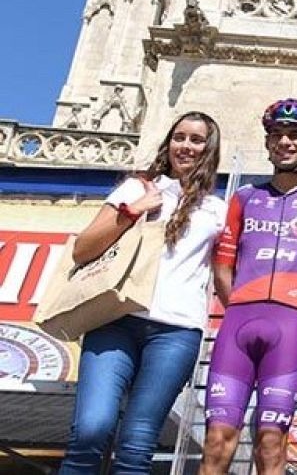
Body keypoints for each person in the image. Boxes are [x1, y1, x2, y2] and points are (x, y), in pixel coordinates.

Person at [61, 112, 228, 475]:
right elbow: (82, 249)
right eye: (179, 137)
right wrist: (133, 211)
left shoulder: (218, 210)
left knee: (138, 445)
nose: (186, 146)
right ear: (168, 143)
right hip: (115, 319)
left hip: (176, 331)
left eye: (196, 140)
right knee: (90, 430)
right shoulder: (137, 189)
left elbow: (231, 268)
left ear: (209, 149)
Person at [199, 100, 297, 475]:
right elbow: (223, 266)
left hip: (290, 328)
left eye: (295, 135)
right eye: (277, 135)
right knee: (217, 441)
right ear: (268, 142)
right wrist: (237, 305)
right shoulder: (246, 198)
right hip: (237, 326)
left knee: (271, 444)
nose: (285, 142)